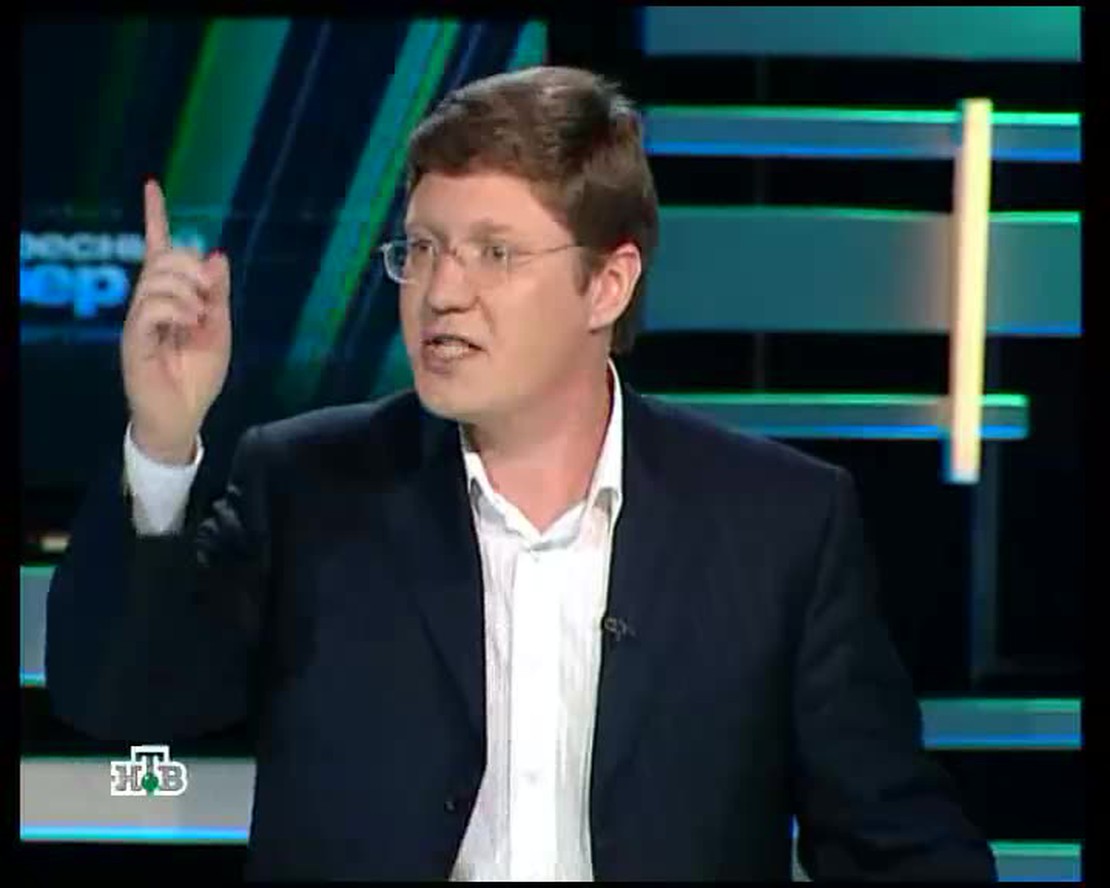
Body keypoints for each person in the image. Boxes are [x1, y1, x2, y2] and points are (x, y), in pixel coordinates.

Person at [45, 65, 997, 881]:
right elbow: (125, 700)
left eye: (494, 253)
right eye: (422, 249)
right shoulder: (309, 487)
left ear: (607, 284)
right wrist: (162, 439)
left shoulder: (777, 523)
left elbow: (898, 845)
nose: (441, 292)